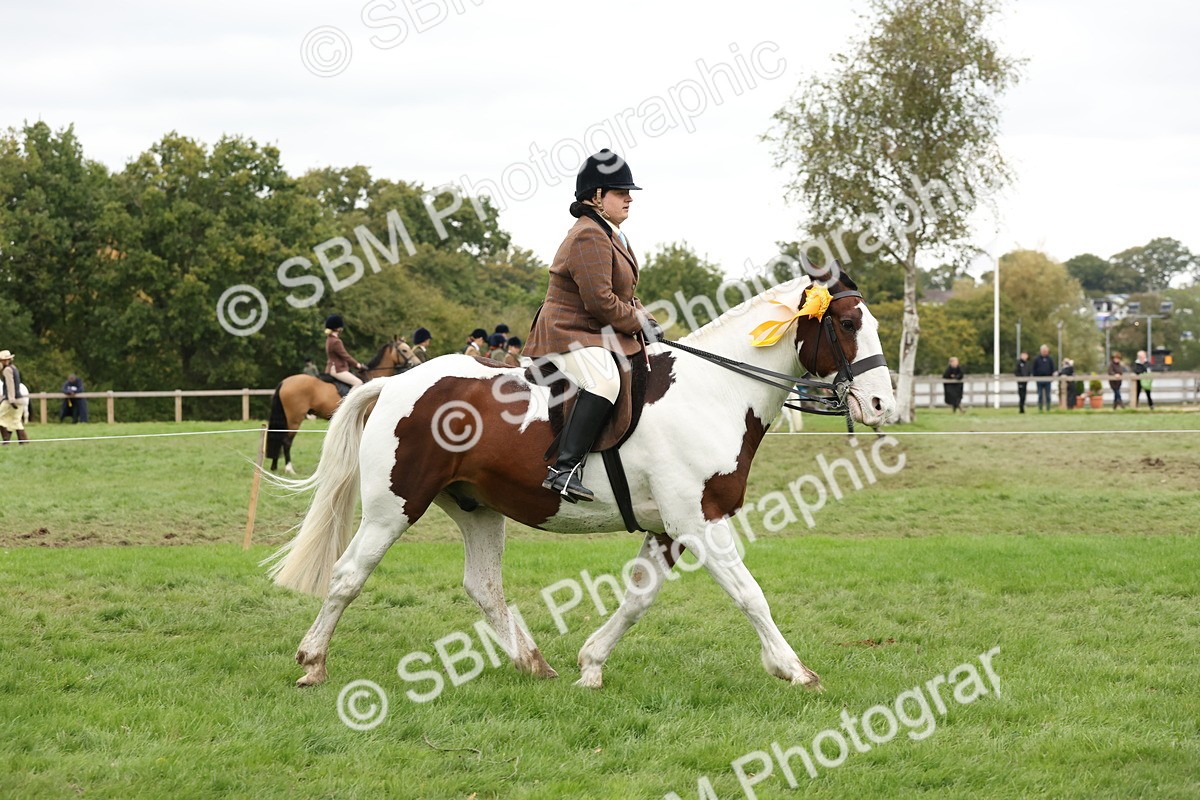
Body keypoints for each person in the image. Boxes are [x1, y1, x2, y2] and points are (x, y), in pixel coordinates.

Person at [524, 149, 659, 502]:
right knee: (604, 381)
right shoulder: (589, 235)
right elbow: (599, 301)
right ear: (597, 196)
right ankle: (564, 470)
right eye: (620, 192)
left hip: (591, 330)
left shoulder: (610, 233)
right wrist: (636, 323)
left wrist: (644, 317)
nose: (629, 198)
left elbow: (623, 293)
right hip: (567, 332)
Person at [324, 314, 364, 388]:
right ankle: (349, 400)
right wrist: (357, 365)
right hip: (338, 369)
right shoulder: (336, 341)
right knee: (358, 383)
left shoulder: (329, 339)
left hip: (331, 368)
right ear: (338, 328)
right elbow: (345, 356)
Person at [0, 349, 30, 444]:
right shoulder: (14, 368)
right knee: (16, 421)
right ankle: (23, 441)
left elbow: (10, 385)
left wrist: (11, 400)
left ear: (4, 361)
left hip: (10, 400)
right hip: (19, 399)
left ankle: (6, 440)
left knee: (2, 418)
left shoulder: (7, 370)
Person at [1032, 344, 1056, 412]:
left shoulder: (1050, 359)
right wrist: (1035, 377)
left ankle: (1048, 408)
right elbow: (1034, 369)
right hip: (1039, 379)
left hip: (1048, 379)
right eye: (1043, 351)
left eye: (1046, 351)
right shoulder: (1036, 359)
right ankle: (1040, 408)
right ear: (1041, 351)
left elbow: (1052, 368)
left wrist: (1051, 377)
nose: (1045, 352)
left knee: (1048, 395)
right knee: (1040, 395)